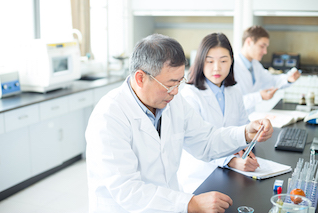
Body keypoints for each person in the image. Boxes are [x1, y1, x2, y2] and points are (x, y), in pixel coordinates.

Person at [85, 33, 273, 213]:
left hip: (170, 204)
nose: (175, 92)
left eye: (179, 82)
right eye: (170, 84)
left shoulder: (172, 102)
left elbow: (206, 141)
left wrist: (245, 133)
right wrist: (189, 203)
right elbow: (128, 191)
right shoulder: (109, 117)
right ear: (140, 78)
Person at [178, 32, 260, 193]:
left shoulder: (234, 90)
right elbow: (198, 143)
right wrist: (230, 161)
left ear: (231, 61)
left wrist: (244, 148)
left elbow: (242, 125)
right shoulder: (190, 95)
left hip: (232, 173)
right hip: (200, 176)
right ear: (201, 62)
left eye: (223, 61)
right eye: (210, 61)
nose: (217, 68)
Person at [234, 25, 301, 114]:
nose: (265, 51)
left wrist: (289, 79)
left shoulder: (255, 65)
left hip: (249, 120)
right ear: (249, 42)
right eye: (262, 46)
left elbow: (272, 81)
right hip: (234, 123)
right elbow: (233, 103)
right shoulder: (232, 67)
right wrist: (259, 96)